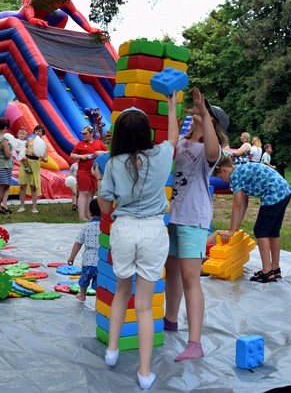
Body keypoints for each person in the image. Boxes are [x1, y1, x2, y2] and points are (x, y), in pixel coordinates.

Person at [97, 95, 178, 390]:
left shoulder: (113, 163)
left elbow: (105, 209)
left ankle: (112, 350)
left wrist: (99, 186)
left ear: (119, 135)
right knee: (144, 306)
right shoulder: (162, 155)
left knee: (121, 291)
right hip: (153, 231)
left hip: (125, 229)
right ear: (146, 133)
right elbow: (173, 137)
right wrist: (171, 106)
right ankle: (144, 373)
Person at [165, 88, 227, 362]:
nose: (198, 115)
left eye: (206, 115)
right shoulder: (182, 142)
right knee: (173, 273)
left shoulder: (210, 150)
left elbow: (214, 151)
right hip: (173, 216)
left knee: (191, 278)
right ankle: (170, 320)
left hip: (193, 220)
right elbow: (169, 145)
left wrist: (204, 113)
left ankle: (195, 343)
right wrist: (172, 107)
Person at [214, 156, 291, 283]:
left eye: (220, 177)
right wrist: (236, 226)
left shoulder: (235, 176)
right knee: (273, 231)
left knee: (261, 231)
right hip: (284, 191)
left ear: (224, 170)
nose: (223, 181)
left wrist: (231, 231)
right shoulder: (241, 170)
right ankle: (275, 268)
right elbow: (244, 202)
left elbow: (237, 204)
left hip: (273, 194)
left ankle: (267, 272)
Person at [70, 125, 107, 221]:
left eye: (85, 133)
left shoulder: (98, 143)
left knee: (90, 193)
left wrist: (100, 152)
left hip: (94, 172)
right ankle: (82, 216)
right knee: (83, 192)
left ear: (91, 134)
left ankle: (89, 215)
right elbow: (72, 155)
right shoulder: (80, 144)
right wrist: (81, 157)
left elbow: (107, 153)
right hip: (83, 171)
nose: (83, 135)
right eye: (83, 133)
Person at [67, 198, 101, 301]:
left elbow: (78, 243)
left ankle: (82, 295)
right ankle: (99, 300)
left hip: (88, 262)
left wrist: (71, 257)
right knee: (99, 283)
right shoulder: (106, 227)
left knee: (84, 280)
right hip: (101, 262)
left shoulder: (86, 227)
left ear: (90, 212)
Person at [17, 124, 48, 214]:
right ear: (34, 131)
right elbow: (22, 147)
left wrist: (42, 158)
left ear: (42, 133)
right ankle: (22, 206)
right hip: (26, 162)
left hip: (35, 164)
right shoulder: (29, 140)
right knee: (22, 185)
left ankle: (34, 207)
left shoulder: (44, 145)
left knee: (33, 187)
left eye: (40, 131)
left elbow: (46, 159)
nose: (38, 132)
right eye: (37, 130)